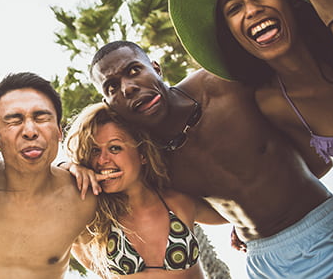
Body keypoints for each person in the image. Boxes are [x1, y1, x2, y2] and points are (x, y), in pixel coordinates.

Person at [82, 40, 333, 278]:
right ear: (108, 101)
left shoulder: (225, 86)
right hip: (266, 262)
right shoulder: (146, 159)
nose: (128, 87)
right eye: (112, 86)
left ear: (156, 67)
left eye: (134, 70)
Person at [168, 0, 333, 242]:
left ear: (291, 0)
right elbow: (301, 175)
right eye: (234, 8)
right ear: (230, 33)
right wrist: (255, 220)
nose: (252, 9)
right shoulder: (276, 103)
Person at [64, 102, 226, 278]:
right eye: (95, 150)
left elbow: (241, 216)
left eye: (115, 148)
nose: (102, 160)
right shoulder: (92, 222)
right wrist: (68, 166)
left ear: (142, 155)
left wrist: (239, 231)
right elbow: (39, 188)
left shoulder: (178, 201)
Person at [0, 72, 97, 278]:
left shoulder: (84, 197)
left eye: (41, 118)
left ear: (60, 132)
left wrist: (69, 166)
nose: (30, 131)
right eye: (14, 121)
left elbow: (110, 265)